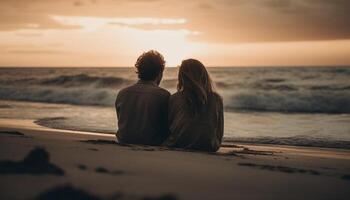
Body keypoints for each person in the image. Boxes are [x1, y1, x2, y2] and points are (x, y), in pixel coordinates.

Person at [163, 59, 224, 152]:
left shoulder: (175, 98)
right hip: (210, 145)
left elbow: (170, 126)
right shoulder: (216, 99)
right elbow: (219, 132)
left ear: (181, 77)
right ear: (204, 76)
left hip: (179, 143)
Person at [115, 50, 170, 145]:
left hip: (123, 141)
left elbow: (121, 120)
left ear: (139, 71)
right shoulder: (163, 95)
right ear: (160, 73)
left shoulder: (122, 93)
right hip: (151, 143)